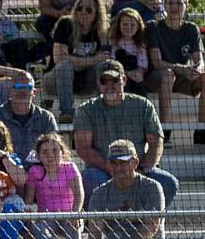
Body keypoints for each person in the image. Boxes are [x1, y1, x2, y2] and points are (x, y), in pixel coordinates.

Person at [74, 60, 177, 207]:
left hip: (138, 168)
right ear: (98, 83)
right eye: (104, 81)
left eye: (115, 80)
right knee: (89, 179)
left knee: (168, 182)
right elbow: (83, 148)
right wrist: (111, 168)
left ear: (124, 80)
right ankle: (99, 225)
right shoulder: (86, 110)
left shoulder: (143, 105)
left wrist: (141, 170)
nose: (110, 86)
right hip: (103, 170)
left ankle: (149, 223)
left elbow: (156, 143)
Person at [146, 0, 205, 145]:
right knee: (168, 75)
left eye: (179, 3)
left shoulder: (191, 28)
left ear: (186, 6)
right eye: (170, 3)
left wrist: (197, 70)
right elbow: (157, 62)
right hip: (157, 77)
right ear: (164, 6)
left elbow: (199, 60)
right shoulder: (154, 27)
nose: (174, 7)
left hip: (182, 78)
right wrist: (183, 69)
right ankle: (164, 130)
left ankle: (201, 131)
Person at [43, 0, 109, 121]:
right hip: (55, 81)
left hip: (84, 82)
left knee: (104, 67)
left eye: (89, 10)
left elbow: (104, 59)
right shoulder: (65, 24)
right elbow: (59, 59)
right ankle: (67, 114)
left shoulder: (102, 31)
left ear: (97, 14)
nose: (83, 12)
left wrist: (79, 61)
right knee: (65, 66)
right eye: (79, 8)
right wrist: (92, 60)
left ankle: (101, 112)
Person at [85, 139, 165, 239]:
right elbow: (95, 233)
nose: (118, 168)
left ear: (135, 163)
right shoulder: (99, 193)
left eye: (123, 162)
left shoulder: (152, 188)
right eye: (113, 163)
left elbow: (152, 227)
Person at [23, 131, 83, 239]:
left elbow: (79, 194)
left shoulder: (70, 168)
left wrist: (76, 214)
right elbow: (28, 201)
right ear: (38, 156)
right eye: (45, 152)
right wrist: (29, 223)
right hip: (46, 217)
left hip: (70, 214)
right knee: (37, 229)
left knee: (75, 225)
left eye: (55, 151)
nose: (50, 156)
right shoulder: (34, 172)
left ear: (62, 152)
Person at [0, 70, 57, 161]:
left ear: (34, 92)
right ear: (10, 91)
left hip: (39, 171)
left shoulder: (46, 118)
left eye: (27, 87)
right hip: (4, 171)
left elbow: (54, 150)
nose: (22, 90)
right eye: (17, 87)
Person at [33, 0, 99, 44]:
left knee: (94, 20)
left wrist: (76, 12)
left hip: (81, 14)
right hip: (55, 16)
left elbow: (94, 1)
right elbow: (44, 7)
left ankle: (86, 47)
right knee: (43, 22)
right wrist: (59, 13)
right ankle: (56, 49)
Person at [111, 8, 161, 99]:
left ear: (138, 26)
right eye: (125, 24)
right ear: (119, 25)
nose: (128, 27)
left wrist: (136, 72)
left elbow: (143, 65)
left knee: (138, 84)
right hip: (119, 76)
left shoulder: (140, 45)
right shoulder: (115, 43)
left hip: (136, 76)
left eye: (132, 25)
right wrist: (124, 73)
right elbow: (112, 61)